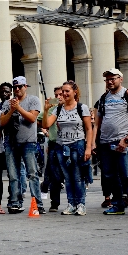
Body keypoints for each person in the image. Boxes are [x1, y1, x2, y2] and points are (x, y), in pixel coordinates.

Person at [42, 81, 92, 216]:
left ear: (74, 92)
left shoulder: (82, 107)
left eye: (67, 91)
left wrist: (89, 147)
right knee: (67, 177)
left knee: (78, 176)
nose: (64, 94)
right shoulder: (58, 109)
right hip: (62, 146)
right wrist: (47, 109)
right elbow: (46, 124)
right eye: (62, 91)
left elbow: (89, 128)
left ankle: (81, 204)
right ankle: (71, 204)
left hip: (77, 144)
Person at [0, 76, 45, 214]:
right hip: (11, 142)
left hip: (28, 142)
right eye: (15, 88)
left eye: (20, 87)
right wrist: (12, 110)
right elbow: (2, 122)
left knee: (32, 174)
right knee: (13, 175)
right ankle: (15, 202)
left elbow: (32, 118)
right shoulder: (8, 103)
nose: (17, 90)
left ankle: (38, 203)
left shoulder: (33, 100)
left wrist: (18, 107)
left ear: (26, 86)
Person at [95, 68, 128, 215]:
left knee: (125, 173)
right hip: (105, 142)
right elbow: (98, 122)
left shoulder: (126, 94)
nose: (110, 81)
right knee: (109, 175)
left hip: (122, 141)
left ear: (120, 79)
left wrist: (126, 139)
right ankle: (117, 205)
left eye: (113, 78)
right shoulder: (104, 98)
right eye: (107, 79)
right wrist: (94, 142)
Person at [37, 87, 63, 212]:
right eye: (56, 94)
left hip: (69, 143)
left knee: (73, 174)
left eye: (60, 94)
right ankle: (55, 203)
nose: (58, 97)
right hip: (54, 142)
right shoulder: (53, 108)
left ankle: (76, 201)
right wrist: (45, 130)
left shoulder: (71, 107)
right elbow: (40, 119)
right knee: (55, 176)